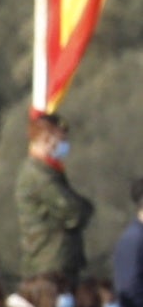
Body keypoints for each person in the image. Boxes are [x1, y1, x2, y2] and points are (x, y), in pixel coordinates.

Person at [17, 108, 94, 288]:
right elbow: (73, 211)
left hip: (59, 264)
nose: (64, 145)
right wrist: (83, 209)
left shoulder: (50, 171)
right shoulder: (38, 175)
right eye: (61, 139)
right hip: (48, 266)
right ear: (46, 138)